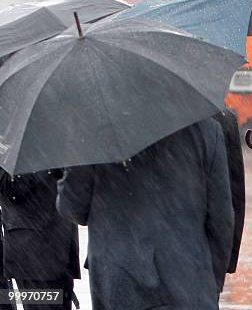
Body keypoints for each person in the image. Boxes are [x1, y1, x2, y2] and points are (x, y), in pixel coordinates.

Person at [56, 118, 234, 310]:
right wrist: (209, 281)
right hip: (188, 283)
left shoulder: (94, 131)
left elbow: (73, 208)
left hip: (119, 283)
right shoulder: (206, 130)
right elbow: (221, 220)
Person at [0, 170, 80, 310]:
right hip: (33, 255)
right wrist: (44, 166)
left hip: (62, 250)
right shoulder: (7, 150)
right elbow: (10, 190)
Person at [213, 109, 245, 276]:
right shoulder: (224, 118)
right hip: (212, 237)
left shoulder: (161, 116)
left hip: (170, 244)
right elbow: (235, 185)